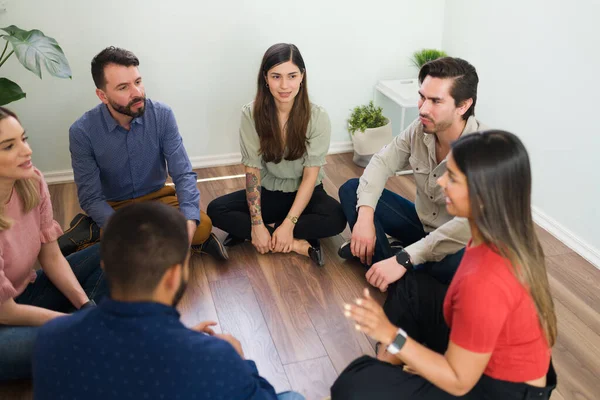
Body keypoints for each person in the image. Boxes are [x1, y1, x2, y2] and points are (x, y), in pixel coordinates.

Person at [331, 131, 558, 399]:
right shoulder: (498, 233)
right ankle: (388, 372)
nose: (440, 182)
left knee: (352, 385)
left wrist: (391, 334)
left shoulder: (486, 282)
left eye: (452, 178)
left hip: (498, 390)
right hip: (482, 362)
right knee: (411, 289)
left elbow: (458, 380)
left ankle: (388, 372)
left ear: (483, 196)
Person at [33, 202, 304, 400]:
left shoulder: (51, 338)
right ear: (175, 275)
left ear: (105, 265)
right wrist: (241, 361)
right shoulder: (217, 359)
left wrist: (181, 338)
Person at [59, 46, 227, 260]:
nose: (136, 93)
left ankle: (104, 236)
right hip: (114, 205)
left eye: (137, 82)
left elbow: (183, 175)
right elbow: (91, 197)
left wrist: (189, 223)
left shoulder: (163, 115)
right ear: (102, 95)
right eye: (123, 87)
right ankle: (107, 234)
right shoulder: (82, 132)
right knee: (108, 250)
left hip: (157, 198)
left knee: (202, 225)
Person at [338, 57, 486, 286]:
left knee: (462, 266)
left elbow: (468, 226)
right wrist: (365, 218)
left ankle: (391, 265)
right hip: (421, 226)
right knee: (352, 189)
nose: (423, 108)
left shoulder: (484, 151)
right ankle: (394, 270)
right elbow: (381, 163)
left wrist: (406, 257)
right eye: (422, 97)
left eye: (435, 101)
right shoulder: (419, 128)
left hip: (454, 242)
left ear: (463, 106)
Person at [207, 43, 346, 267]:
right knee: (216, 210)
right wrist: (256, 223)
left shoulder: (318, 117)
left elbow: (310, 177)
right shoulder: (251, 114)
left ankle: (278, 232)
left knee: (337, 219)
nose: (284, 85)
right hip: (269, 191)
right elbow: (252, 171)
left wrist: (289, 224)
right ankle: (293, 243)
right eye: (276, 76)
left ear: (302, 76)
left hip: (306, 192)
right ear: (265, 78)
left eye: (292, 76)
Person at [0, 107, 107, 381]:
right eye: (9, 146)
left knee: (117, 253)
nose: (27, 151)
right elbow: (6, 311)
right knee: (80, 336)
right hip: (4, 315)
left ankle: (86, 329)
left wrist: (85, 307)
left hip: (24, 291)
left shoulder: (31, 181)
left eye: (24, 139)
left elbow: (51, 256)